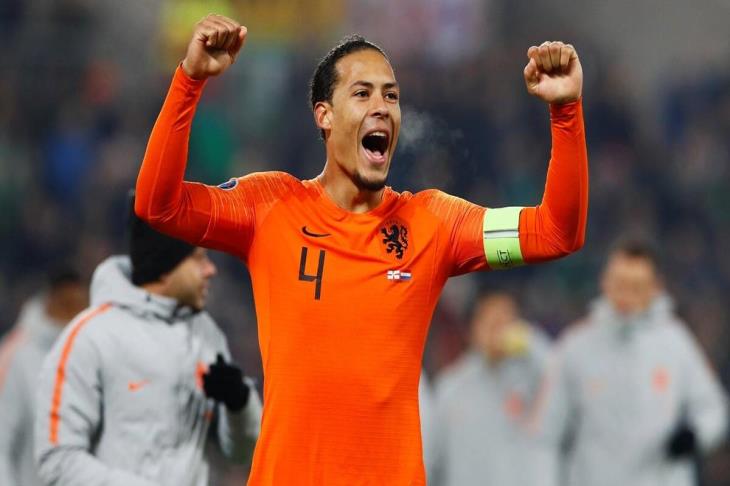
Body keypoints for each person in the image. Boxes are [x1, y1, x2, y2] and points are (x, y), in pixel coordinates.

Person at [134, 14, 588, 485]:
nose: (382, 107)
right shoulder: (270, 207)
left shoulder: (433, 224)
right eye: (362, 93)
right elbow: (158, 206)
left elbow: (556, 232)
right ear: (324, 115)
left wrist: (566, 112)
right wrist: (189, 81)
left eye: (391, 96)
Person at [34, 202, 262, 486]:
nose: (210, 269)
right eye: (199, 259)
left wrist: (239, 405)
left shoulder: (206, 335)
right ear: (165, 268)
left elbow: (242, 453)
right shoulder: (89, 338)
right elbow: (57, 461)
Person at [532, 239, 729, 486]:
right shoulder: (576, 346)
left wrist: (694, 436)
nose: (625, 295)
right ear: (604, 282)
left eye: (636, 287)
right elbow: (545, 431)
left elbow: (713, 408)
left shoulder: (675, 342)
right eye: (620, 284)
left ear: (655, 288)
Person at [429, 290, 551, 486]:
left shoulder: (531, 379)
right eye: (490, 322)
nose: (498, 330)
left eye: (506, 321)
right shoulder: (450, 388)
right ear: (471, 329)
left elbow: (560, 379)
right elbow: (432, 460)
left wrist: (528, 340)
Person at [0, 267, 87, 486]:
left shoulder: (97, 353)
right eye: (65, 304)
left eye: (78, 304)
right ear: (51, 300)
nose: (72, 311)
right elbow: (3, 439)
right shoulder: (19, 357)